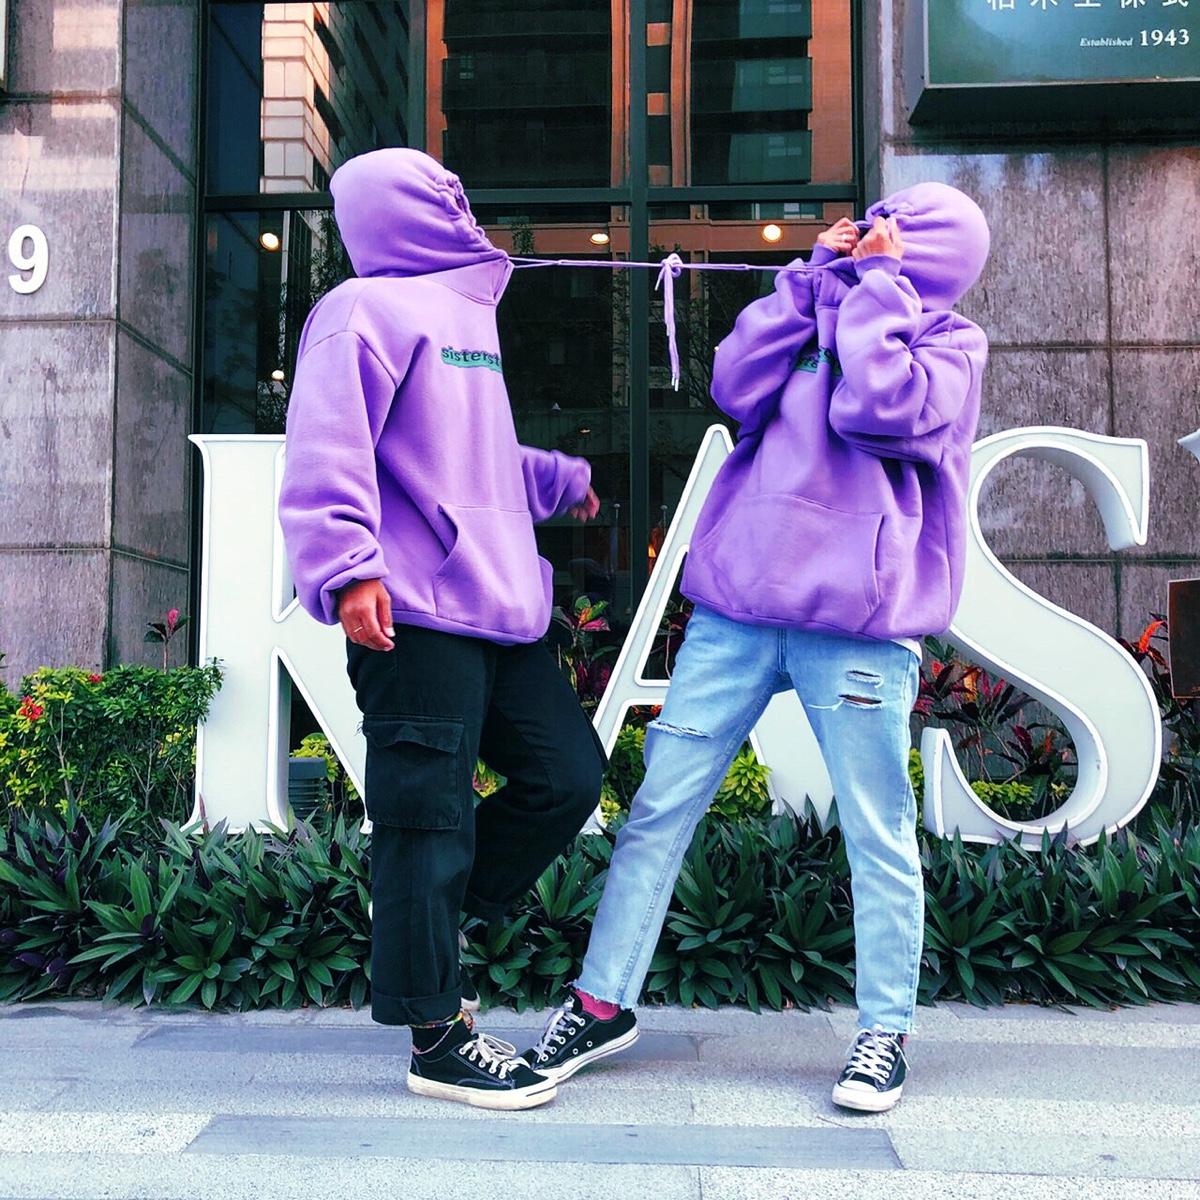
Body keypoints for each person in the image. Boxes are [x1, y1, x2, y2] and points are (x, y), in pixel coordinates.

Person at [522, 182, 990, 1114]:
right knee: (659, 808)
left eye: (895, 226)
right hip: (738, 606)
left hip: (857, 625)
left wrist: (878, 290)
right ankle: (601, 1001)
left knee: (876, 830)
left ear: (933, 251)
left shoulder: (947, 342)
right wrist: (809, 281)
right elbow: (733, 382)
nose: (872, 230)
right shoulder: (821, 309)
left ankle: (884, 1031)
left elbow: (879, 407)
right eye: (874, 220)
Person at [278, 148, 606, 1112]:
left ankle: (423, 922)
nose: (464, 205)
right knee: (425, 818)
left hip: (501, 609)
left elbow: (471, 455)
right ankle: (437, 1038)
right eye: (446, 194)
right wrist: (347, 567)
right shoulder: (359, 309)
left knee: (567, 777)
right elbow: (326, 443)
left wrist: (553, 479)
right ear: (409, 208)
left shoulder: (469, 320)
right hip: (412, 614)